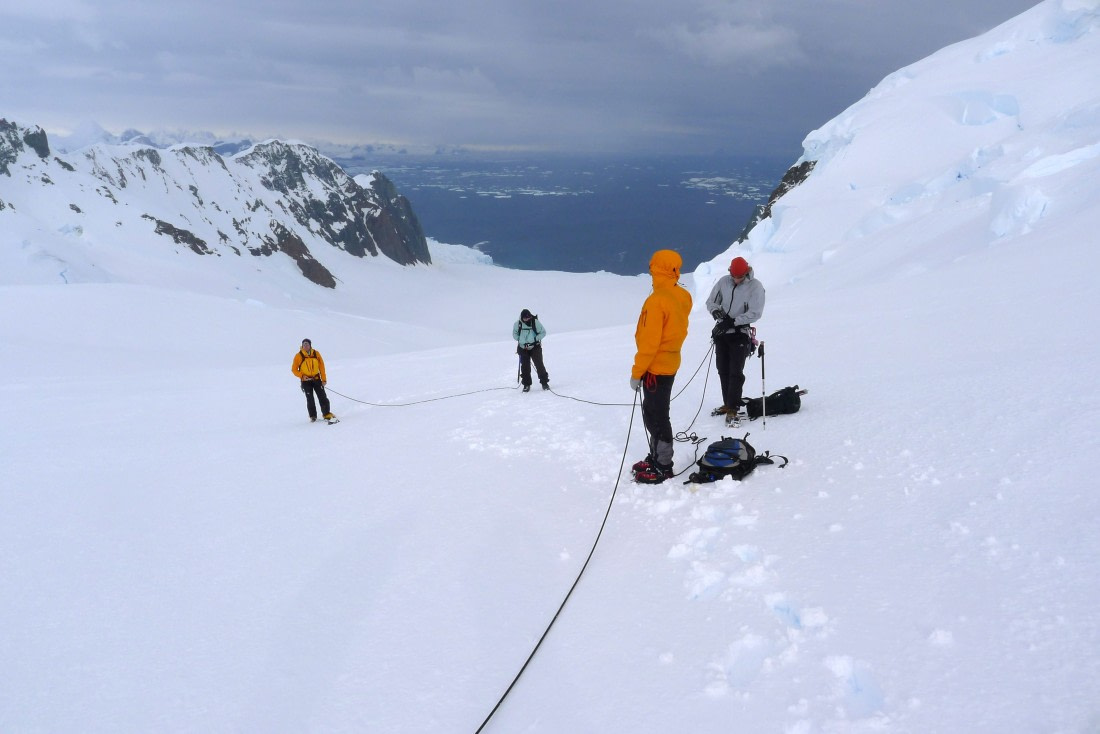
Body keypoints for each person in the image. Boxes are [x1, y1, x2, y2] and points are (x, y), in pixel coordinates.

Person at [629, 249, 692, 484]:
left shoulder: (656, 300)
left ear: (655, 268)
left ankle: (663, 465)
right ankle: (657, 457)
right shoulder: (682, 295)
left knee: (656, 415)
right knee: (654, 412)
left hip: (655, 367)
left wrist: (637, 373)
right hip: (671, 361)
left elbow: (649, 343)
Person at [706, 256, 765, 424]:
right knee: (722, 369)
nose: (736, 280)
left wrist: (732, 321)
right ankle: (727, 403)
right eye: (734, 276)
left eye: (739, 277)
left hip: (740, 333)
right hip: (722, 333)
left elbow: (756, 312)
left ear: (746, 273)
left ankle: (733, 408)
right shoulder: (724, 282)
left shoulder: (756, 287)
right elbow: (711, 302)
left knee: (735, 372)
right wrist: (716, 313)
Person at [292, 338, 336, 422]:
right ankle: (313, 416)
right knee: (310, 399)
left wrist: (324, 379)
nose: (305, 346)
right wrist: (302, 376)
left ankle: (326, 413)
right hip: (305, 381)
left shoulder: (316, 353)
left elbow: (321, 366)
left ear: (310, 345)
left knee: (322, 396)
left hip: (316, 379)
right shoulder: (298, 356)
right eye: (304, 344)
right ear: (302, 346)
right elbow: (294, 369)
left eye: (307, 344)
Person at [512, 308, 550, 392]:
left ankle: (544, 383)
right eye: (525, 318)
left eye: (528, 317)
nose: (527, 319)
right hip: (522, 348)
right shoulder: (517, 324)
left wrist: (535, 338)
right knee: (525, 367)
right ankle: (526, 384)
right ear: (522, 317)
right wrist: (520, 340)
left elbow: (543, 332)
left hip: (535, 347)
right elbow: (514, 334)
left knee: (539, 365)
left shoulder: (535, 322)